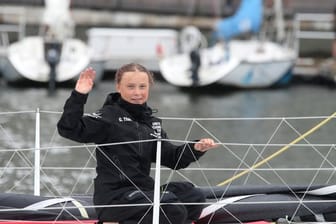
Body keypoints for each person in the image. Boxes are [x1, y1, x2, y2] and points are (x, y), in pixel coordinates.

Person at [57, 63, 218, 224]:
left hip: (143, 193)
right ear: (119, 87)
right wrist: (79, 94)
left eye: (142, 86)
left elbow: (172, 159)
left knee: (193, 196)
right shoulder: (108, 117)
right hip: (115, 198)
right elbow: (69, 129)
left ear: (149, 87)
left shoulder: (151, 123)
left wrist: (196, 148)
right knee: (171, 209)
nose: (137, 92)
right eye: (131, 86)